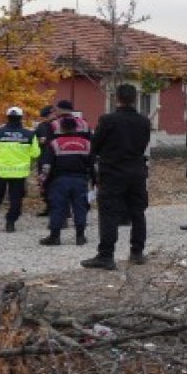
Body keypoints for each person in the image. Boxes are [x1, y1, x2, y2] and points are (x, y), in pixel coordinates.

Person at [81, 84, 151, 270]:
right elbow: (143, 144)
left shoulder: (108, 120)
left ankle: (106, 255)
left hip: (113, 171)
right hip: (136, 171)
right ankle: (137, 252)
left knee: (109, 213)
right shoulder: (144, 121)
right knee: (137, 212)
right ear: (135, 98)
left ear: (116, 98)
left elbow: (95, 146)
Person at [0, 106, 40, 233]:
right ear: (21, 118)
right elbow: (35, 154)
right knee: (16, 199)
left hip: (0, 172)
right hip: (19, 173)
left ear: (7, 117)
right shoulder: (29, 135)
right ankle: (10, 224)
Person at [39, 116, 96, 246]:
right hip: (80, 180)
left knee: (58, 207)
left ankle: (55, 237)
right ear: (76, 128)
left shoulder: (54, 143)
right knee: (80, 207)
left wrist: (43, 182)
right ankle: (80, 237)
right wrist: (95, 181)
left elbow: (46, 166)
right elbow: (93, 165)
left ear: (61, 128)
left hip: (59, 181)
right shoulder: (86, 144)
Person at [33, 105, 57, 217]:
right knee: (45, 183)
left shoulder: (58, 124)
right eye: (52, 114)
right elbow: (38, 141)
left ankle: (59, 209)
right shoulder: (42, 126)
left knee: (54, 183)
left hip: (54, 158)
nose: (55, 115)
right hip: (45, 158)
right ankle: (49, 207)